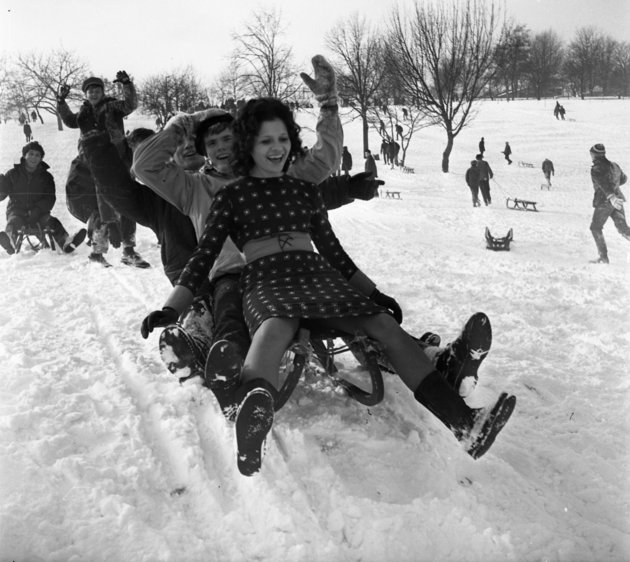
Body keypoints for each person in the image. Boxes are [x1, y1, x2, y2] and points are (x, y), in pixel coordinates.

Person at [141, 97, 516, 477]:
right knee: (271, 331)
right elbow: (203, 257)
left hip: (317, 276)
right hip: (264, 281)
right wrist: (173, 306)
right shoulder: (225, 195)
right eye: (264, 141)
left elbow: (334, 251)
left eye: (282, 139)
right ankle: (248, 411)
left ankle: (465, 424)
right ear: (248, 146)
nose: (275, 149)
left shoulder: (304, 190)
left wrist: (373, 293)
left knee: (383, 325)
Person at [57, 72, 149, 269]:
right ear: (85, 94)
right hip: (91, 161)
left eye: (97, 90)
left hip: (117, 158)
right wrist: (61, 101)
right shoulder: (83, 113)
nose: (94, 93)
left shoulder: (111, 106)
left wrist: (127, 84)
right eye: (90, 91)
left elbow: (129, 105)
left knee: (125, 202)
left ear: (102, 91)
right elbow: (69, 121)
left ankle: (129, 250)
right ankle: (97, 251)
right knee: (101, 204)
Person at [0, 141, 86, 255]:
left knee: (52, 222)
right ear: (24, 155)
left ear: (41, 158)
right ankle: (10, 241)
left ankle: (66, 242)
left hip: (39, 213)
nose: (33, 157)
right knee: (14, 222)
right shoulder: (13, 174)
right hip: (17, 211)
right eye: (30, 154)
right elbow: (2, 195)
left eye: (37, 155)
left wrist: (37, 210)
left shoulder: (46, 177)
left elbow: (50, 198)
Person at [588, 143, 629, 264]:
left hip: (605, 201)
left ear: (595, 155)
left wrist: (611, 196)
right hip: (618, 200)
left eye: (591, 154)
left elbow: (602, 184)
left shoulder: (596, 169)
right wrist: (614, 187)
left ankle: (603, 257)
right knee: (623, 229)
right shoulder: (614, 166)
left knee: (595, 228)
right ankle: (603, 257)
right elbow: (624, 179)